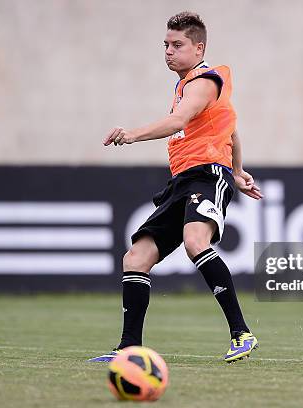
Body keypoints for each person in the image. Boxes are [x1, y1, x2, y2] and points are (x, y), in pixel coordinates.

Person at [89, 11, 263, 364]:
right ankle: (128, 349)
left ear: (198, 48)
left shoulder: (204, 80)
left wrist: (133, 134)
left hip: (206, 176)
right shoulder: (186, 86)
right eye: (166, 44)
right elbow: (230, 128)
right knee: (135, 258)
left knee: (195, 241)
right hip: (183, 181)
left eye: (177, 45)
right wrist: (240, 168)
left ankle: (241, 333)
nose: (168, 51)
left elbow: (177, 121)